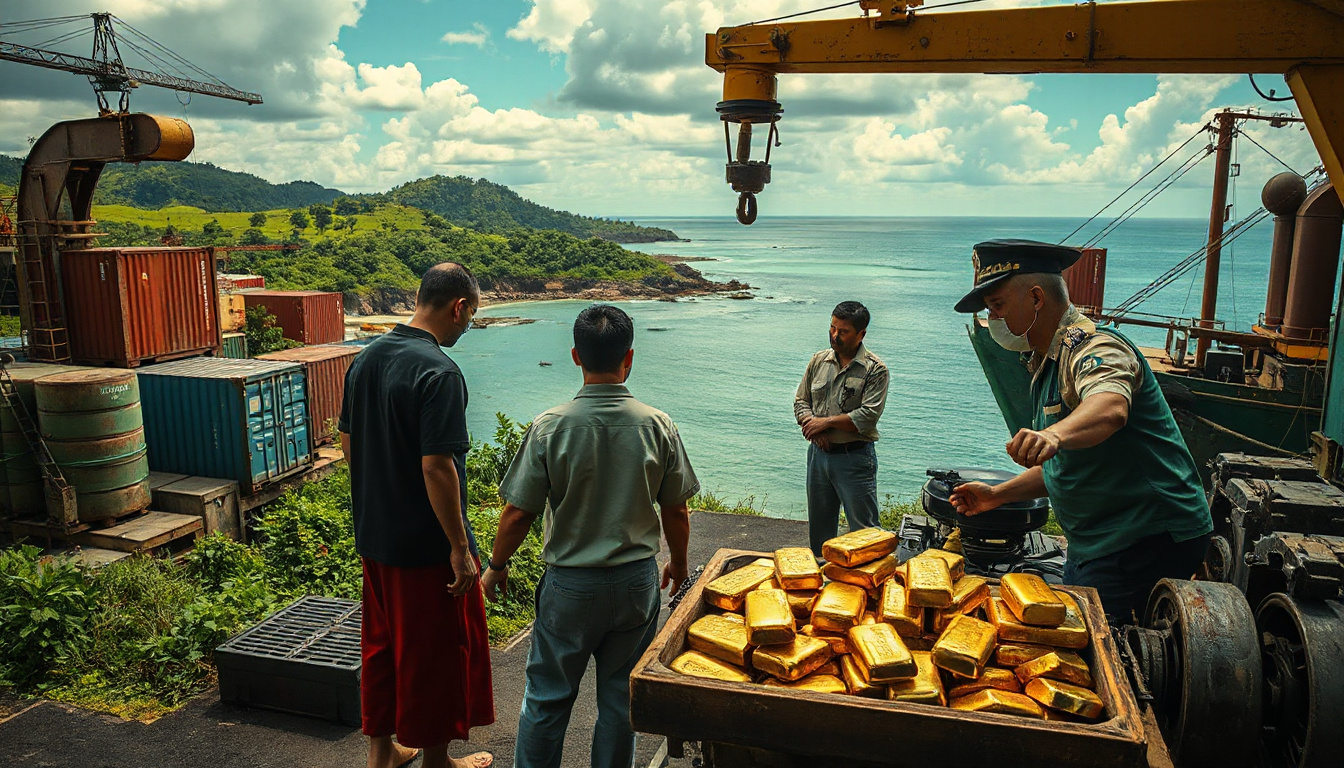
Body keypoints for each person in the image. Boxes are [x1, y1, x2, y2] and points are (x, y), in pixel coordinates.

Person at [948, 239, 1213, 623]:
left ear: (1037, 298)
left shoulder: (1094, 347)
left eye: (998, 306)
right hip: (1099, 542)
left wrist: (1052, 435)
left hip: (1142, 536)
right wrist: (997, 496)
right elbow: (1064, 466)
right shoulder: (1045, 366)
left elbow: (1110, 406)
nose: (993, 321)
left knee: (1094, 645)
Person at [481, 304, 698, 768]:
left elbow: (519, 512)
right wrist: (678, 565)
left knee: (547, 700)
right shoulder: (658, 425)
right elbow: (676, 510)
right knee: (621, 704)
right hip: (637, 582)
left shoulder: (550, 426)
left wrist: (496, 567)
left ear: (576, 356)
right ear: (630, 357)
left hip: (570, 585)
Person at [338, 263, 495, 768]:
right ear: (459, 307)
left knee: (381, 648)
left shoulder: (367, 358)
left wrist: (381, 492)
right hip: (425, 548)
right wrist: (459, 547)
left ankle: (382, 754)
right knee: (435, 656)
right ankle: (436, 763)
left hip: (376, 536)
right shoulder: (439, 372)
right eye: (471, 316)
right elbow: (437, 466)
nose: (468, 326)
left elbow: (347, 442)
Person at [794, 301, 891, 556]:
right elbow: (801, 401)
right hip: (818, 456)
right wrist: (815, 429)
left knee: (865, 534)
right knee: (820, 533)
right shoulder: (818, 360)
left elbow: (868, 416)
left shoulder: (875, 369)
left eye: (843, 331)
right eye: (832, 327)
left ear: (862, 334)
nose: (835, 335)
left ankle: (869, 587)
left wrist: (823, 423)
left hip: (854, 458)